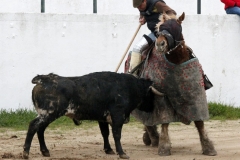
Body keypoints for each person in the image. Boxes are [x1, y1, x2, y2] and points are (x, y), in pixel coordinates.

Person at [129, 0, 177, 75]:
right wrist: (142, 18)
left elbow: (172, 13)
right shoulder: (141, 8)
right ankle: (132, 75)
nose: (139, 8)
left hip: (165, 34)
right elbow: (143, 13)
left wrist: (164, 19)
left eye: (140, 6)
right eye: (137, 7)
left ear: (144, 1)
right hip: (154, 34)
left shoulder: (157, 4)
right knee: (137, 48)